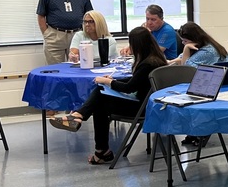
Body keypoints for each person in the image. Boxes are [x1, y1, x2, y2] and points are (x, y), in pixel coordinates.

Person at [48, 27, 168, 164]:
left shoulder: (146, 64)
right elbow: (136, 82)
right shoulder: (156, 60)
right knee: (101, 95)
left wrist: (108, 82)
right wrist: (111, 81)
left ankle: (82, 122)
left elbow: (129, 88)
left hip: (143, 108)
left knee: (100, 99)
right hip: (151, 104)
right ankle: (97, 145)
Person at [37, 0, 94, 65]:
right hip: (55, 35)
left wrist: (87, 32)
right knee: (55, 70)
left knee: (77, 67)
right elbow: (41, 14)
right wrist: (46, 34)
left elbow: (89, 13)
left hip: (77, 35)